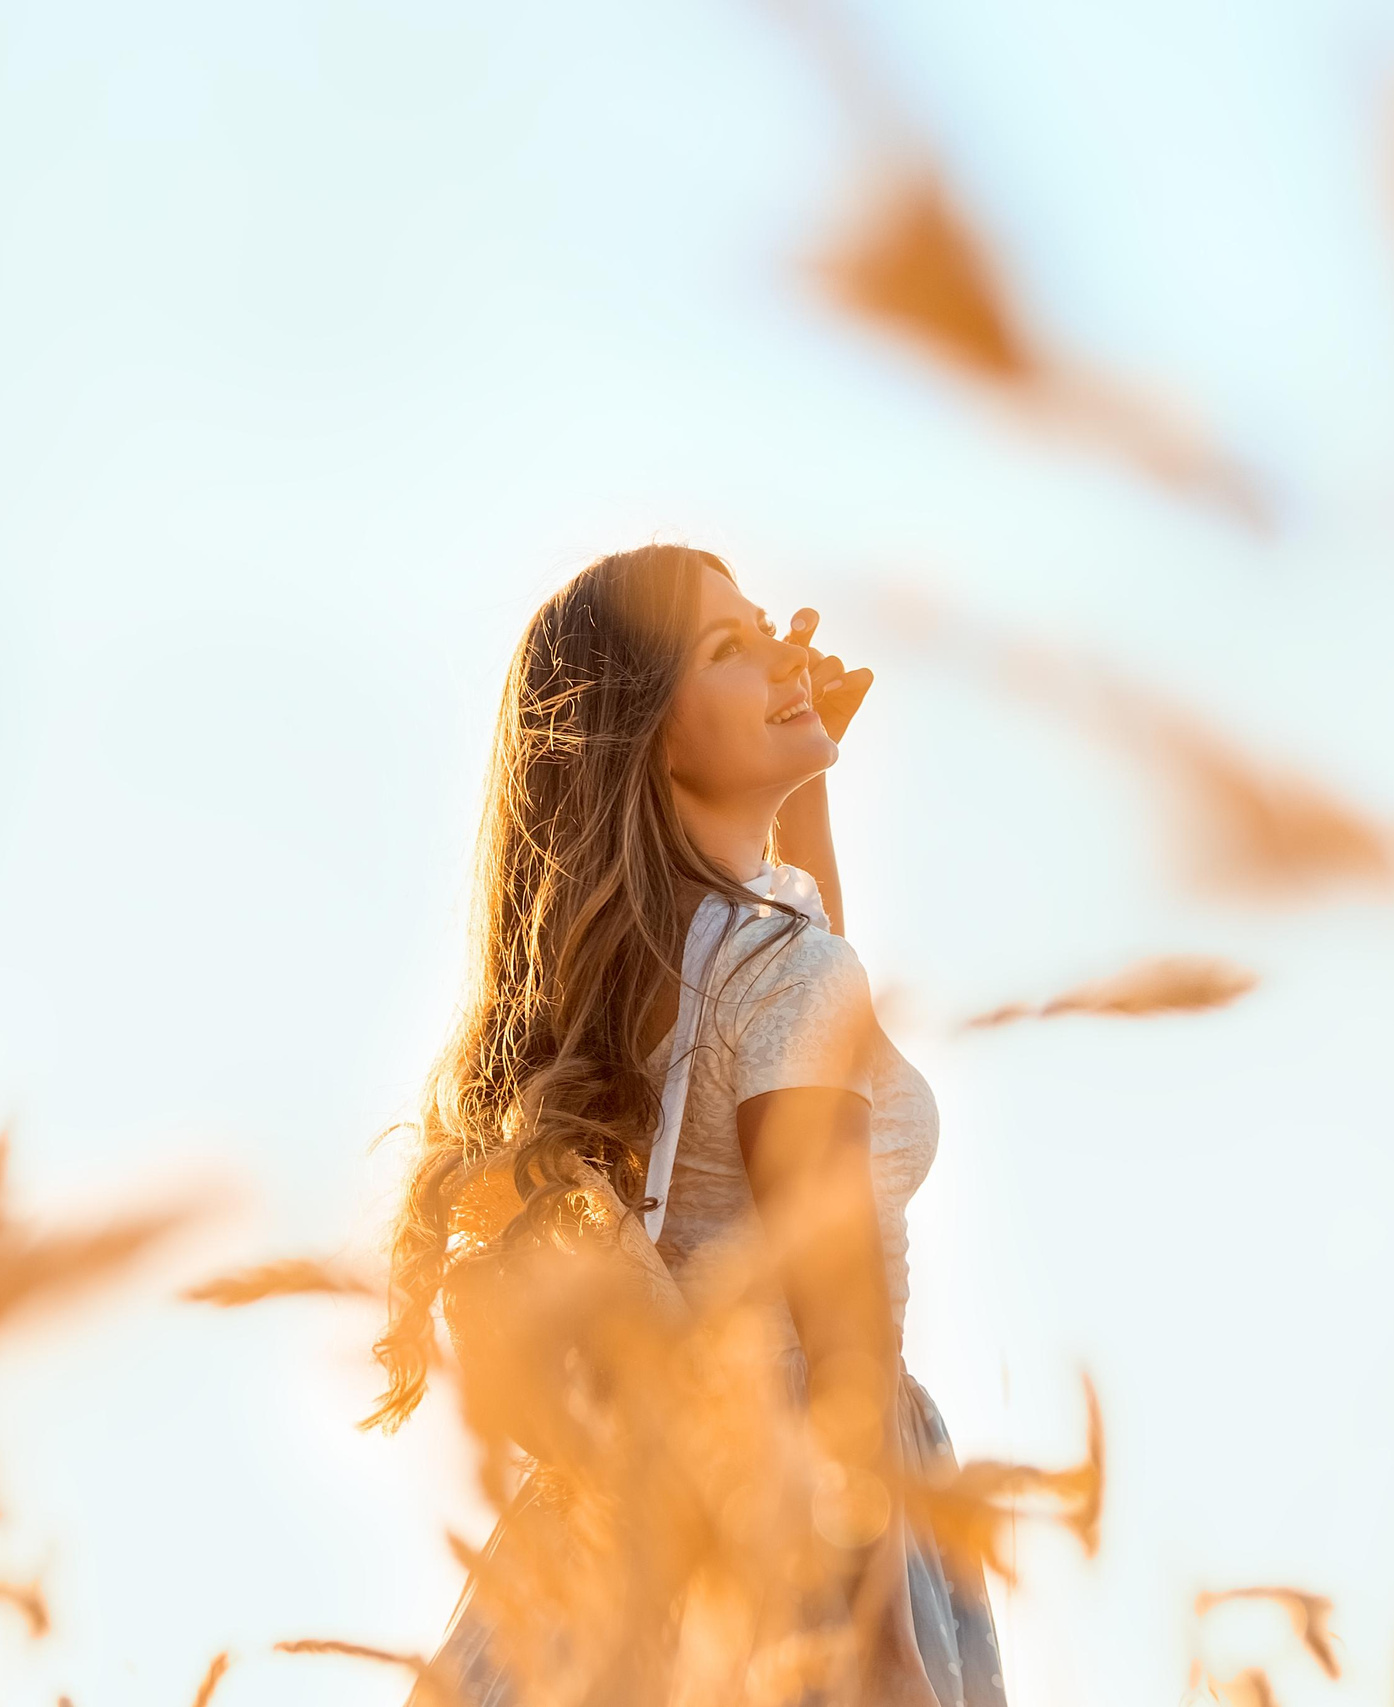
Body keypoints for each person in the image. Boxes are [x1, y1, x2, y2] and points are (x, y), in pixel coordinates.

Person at [376, 545, 1005, 1707]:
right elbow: (842, 1344)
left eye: (766, 626)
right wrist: (883, 1651)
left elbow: (804, 1018)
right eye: (729, 646)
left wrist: (800, 774)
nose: (781, 653)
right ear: (656, 739)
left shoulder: (666, 974)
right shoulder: (781, 972)